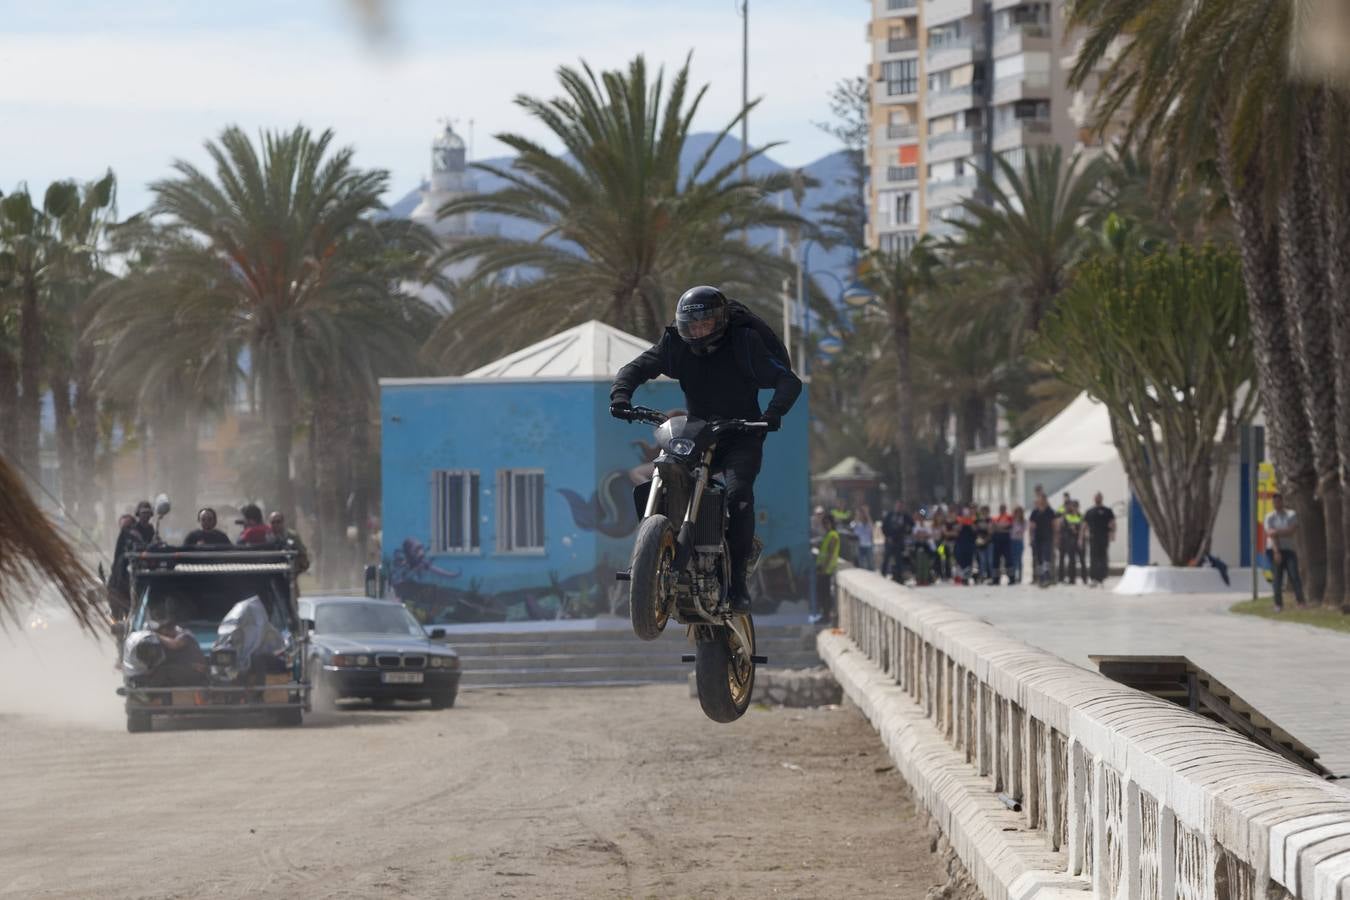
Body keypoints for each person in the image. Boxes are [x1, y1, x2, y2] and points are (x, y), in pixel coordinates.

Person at [610, 285, 802, 613]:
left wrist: (771, 415)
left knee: (739, 496)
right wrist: (621, 396)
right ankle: (648, 556)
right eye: (691, 325)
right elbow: (635, 368)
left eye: (705, 324)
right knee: (655, 479)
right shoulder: (675, 345)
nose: (697, 331)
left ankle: (738, 581)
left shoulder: (744, 343)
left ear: (721, 322)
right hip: (697, 432)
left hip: (741, 433)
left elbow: (789, 381)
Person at [1264, 492, 1306, 611]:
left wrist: (1277, 532)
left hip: (1289, 550)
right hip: (1273, 550)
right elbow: (1271, 534)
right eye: (1274, 502)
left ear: (1282, 501)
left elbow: (1292, 531)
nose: (1277, 503)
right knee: (1277, 578)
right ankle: (1278, 604)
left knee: (1294, 576)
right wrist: (1277, 552)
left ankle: (1301, 602)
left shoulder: (1291, 514)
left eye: (1278, 501)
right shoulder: (1269, 516)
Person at [1081, 493, 1116, 586]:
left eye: (1099, 497)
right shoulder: (1089, 511)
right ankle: (1094, 577)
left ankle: (1102, 576)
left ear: (1102, 498)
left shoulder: (1107, 511)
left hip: (1104, 536)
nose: (1097, 499)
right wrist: (1081, 537)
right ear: (1094, 499)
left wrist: (1112, 534)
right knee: (1093, 557)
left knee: (1103, 557)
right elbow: (1084, 525)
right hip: (1093, 537)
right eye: (1096, 497)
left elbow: (1112, 523)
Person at [813, 513, 841, 625]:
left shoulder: (833, 535)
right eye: (823, 523)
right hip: (823, 570)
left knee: (825, 595)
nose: (825, 525)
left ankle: (826, 617)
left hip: (827, 571)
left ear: (831, 523)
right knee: (822, 594)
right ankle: (824, 615)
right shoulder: (828, 535)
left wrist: (824, 568)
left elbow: (830, 554)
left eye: (827, 523)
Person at [881, 500, 914, 583]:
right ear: (895, 506)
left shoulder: (905, 516)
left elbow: (912, 524)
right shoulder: (890, 515)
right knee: (886, 559)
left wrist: (907, 531)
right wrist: (888, 536)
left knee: (899, 560)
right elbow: (884, 527)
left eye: (901, 506)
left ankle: (899, 578)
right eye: (898, 506)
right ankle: (883, 575)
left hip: (899, 541)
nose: (899, 508)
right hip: (889, 540)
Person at [1029, 494, 1058, 587]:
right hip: (1038, 539)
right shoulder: (1035, 512)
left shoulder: (1050, 512)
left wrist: (1056, 538)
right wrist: (1031, 538)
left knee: (1046, 558)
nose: (1041, 501)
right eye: (1040, 500)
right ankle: (1041, 578)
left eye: (1043, 500)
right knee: (1040, 559)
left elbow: (1054, 525)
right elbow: (1031, 526)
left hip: (1047, 538)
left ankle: (1047, 577)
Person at [990, 504, 1013, 585]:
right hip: (997, 541)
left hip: (1006, 541)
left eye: (1003, 508)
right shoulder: (996, 518)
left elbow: (1009, 527)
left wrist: (999, 528)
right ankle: (995, 579)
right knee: (995, 561)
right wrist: (1001, 528)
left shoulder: (1009, 517)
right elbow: (992, 528)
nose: (1002, 510)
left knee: (1008, 560)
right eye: (1001, 508)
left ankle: (1011, 578)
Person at [973, 505, 993, 583]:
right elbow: (975, 530)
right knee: (982, 561)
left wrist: (985, 539)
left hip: (989, 542)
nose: (984, 513)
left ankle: (990, 576)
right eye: (983, 511)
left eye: (986, 511)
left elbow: (990, 531)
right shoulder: (977, 520)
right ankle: (981, 576)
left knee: (990, 560)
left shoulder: (990, 520)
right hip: (980, 543)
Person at [851, 507, 875, 571]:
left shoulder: (868, 524)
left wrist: (867, 514)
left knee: (870, 565)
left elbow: (872, 527)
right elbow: (853, 528)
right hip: (860, 546)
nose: (862, 516)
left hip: (869, 546)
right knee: (861, 565)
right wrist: (857, 515)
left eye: (863, 514)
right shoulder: (857, 524)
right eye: (861, 515)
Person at [1009, 506, 1026, 585]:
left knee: (1019, 560)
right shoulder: (1012, 520)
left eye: (1019, 512)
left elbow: (1021, 531)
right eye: (1016, 512)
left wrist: (1016, 532)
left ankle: (1019, 577)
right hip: (1012, 541)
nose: (1018, 514)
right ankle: (1013, 576)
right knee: (1013, 559)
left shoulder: (1023, 521)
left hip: (1019, 541)